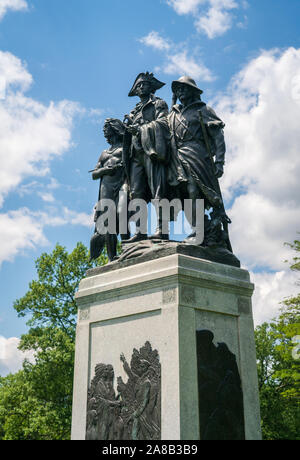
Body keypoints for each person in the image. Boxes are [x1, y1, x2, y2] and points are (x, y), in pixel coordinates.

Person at [168, 76, 231, 248]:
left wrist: (219, 161)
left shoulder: (203, 110)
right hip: (177, 158)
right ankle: (199, 228)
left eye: (184, 89)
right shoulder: (173, 114)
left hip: (197, 155)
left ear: (193, 91)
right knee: (183, 196)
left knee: (194, 191)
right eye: (178, 90)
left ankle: (200, 232)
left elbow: (218, 136)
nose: (181, 92)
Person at [123, 72, 170, 242]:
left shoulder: (159, 103)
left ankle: (162, 229)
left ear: (152, 87)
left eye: (145, 84)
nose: (141, 87)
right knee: (136, 193)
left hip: (152, 152)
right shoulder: (133, 110)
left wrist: (141, 129)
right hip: (135, 154)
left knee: (158, 189)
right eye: (138, 85)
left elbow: (164, 124)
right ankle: (140, 231)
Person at [90, 118, 129, 261]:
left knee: (122, 214)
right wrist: (105, 170)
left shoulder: (125, 148)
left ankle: (127, 249)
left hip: (122, 184)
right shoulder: (104, 153)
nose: (104, 131)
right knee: (108, 221)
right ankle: (112, 257)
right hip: (106, 187)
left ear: (114, 129)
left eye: (106, 128)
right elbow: (94, 174)